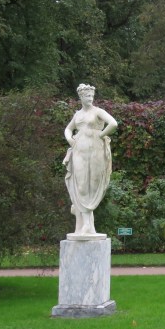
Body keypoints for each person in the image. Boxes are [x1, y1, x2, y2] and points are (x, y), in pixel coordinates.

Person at [63, 84, 118, 236]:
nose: (90, 98)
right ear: (80, 97)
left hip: (95, 152)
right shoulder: (77, 115)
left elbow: (113, 123)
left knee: (92, 184)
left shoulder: (98, 111)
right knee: (81, 185)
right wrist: (70, 140)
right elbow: (68, 129)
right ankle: (85, 225)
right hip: (79, 151)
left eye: (91, 96)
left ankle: (88, 226)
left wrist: (100, 135)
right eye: (87, 96)